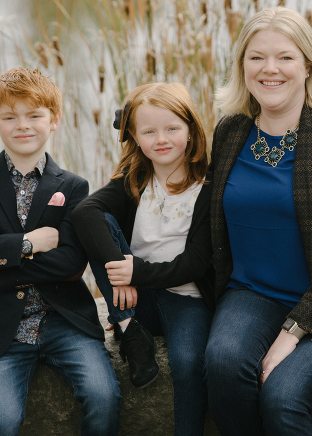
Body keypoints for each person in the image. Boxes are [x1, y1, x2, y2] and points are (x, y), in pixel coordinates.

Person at [205, 6, 312, 435]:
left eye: (284, 57)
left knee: (282, 397)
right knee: (224, 363)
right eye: (256, 57)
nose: (270, 69)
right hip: (250, 293)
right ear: (242, 65)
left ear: (307, 65)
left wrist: (293, 332)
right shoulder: (230, 131)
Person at [0, 67, 120, 435]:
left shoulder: (72, 186)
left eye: (34, 115)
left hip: (64, 321)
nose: (23, 126)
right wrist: (27, 244)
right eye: (10, 117)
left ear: (54, 120)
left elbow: (71, 263)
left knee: (104, 397)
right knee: (1, 420)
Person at [72, 82, 213, 436]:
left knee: (187, 362)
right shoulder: (136, 179)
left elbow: (196, 264)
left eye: (172, 129)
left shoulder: (208, 187)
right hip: (138, 301)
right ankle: (127, 329)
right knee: (98, 222)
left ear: (191, 130)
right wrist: (127, 275)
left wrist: (137, 272)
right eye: (149, 131)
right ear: (134, 137)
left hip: (186, 299)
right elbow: (85, 213)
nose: (161, 139)